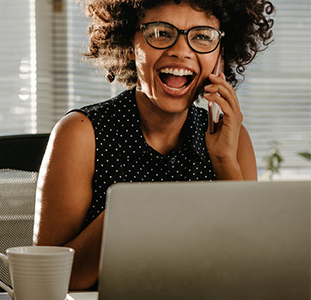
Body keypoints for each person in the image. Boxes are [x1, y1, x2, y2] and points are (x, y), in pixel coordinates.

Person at [33, 0, 275, 290]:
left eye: (202, 36)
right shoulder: (81, 134)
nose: (181, 50)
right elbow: (45, 281)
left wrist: (224, 161)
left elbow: (249, 275)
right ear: (128, 44)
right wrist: (132, 211)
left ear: (220, 55)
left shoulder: (233, 140)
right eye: (160, 32)